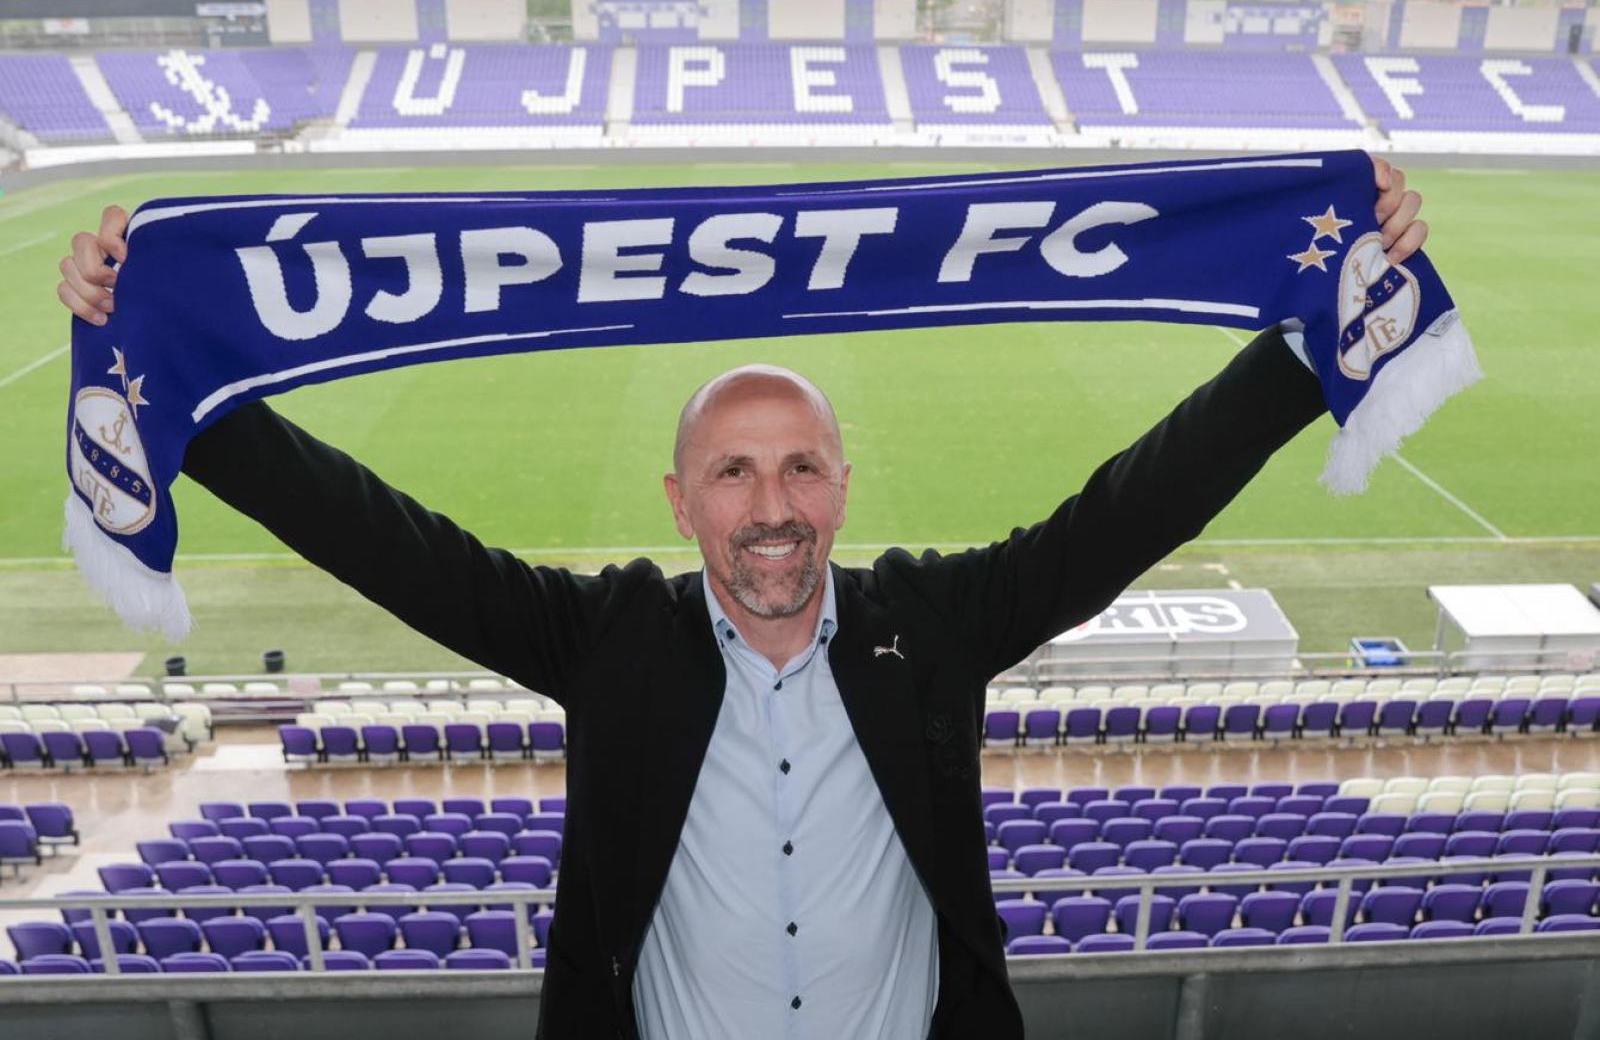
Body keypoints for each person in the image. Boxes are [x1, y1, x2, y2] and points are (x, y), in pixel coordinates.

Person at [57, 159, 1427, 1038]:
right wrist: (171, 367)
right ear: (680, 501)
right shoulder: (606, 643)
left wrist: (1311, 336)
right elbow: (382, 539)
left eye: (800, 468)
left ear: (842, 487)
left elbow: (1133, 507)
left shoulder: (933, 628)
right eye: (733, 472)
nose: (772, 507)